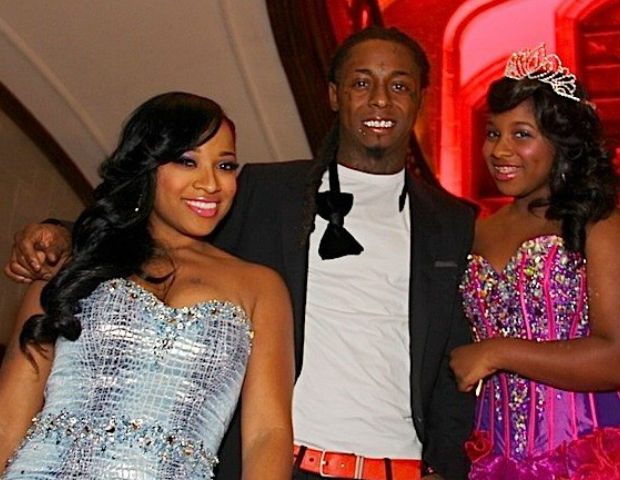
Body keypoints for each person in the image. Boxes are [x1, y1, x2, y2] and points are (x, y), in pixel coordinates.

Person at [4, 27, 476, 480]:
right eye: (361, 82)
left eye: (399, 85)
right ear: (334, 94)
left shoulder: (454, 223)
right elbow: (153, 227)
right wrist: (61, 236)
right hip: (289, 462)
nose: (380, 100)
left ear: (421, 97)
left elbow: (454, 356)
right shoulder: (262, 190)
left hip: (395, 464)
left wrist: (446, 468)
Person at [0, 92, 294, 479]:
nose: (211, 183)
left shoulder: (259, 287)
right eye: (187, 161)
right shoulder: (74, 264)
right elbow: (9, 418)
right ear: (147, 166)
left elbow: (267, 436)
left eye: (225, 165)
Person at [449, 45, 620, 479]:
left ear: (562, 144)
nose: (500, 149)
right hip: (492, 458)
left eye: (521, 134)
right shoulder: (475, 231)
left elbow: (616, 356)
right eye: (493, 133)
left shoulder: (597, 223)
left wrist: (497, 352)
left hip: (586, 455)